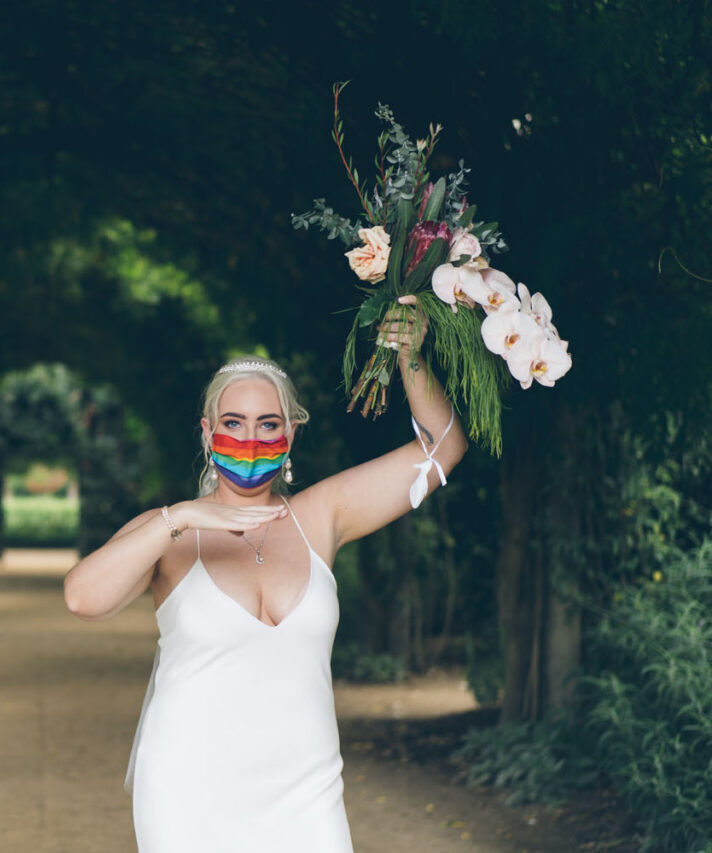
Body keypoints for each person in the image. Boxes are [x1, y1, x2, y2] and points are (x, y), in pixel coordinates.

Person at [63, 298, 465, 852]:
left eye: (267, 423)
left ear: (291, 434)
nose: (250, 438)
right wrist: (181, 516)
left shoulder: (322, 515)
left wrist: (411, 358)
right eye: (232, 423)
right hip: (189, 791)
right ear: (207, 432)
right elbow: (83, 598)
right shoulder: (168, 534)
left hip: (307, 791)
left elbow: (443, 448)